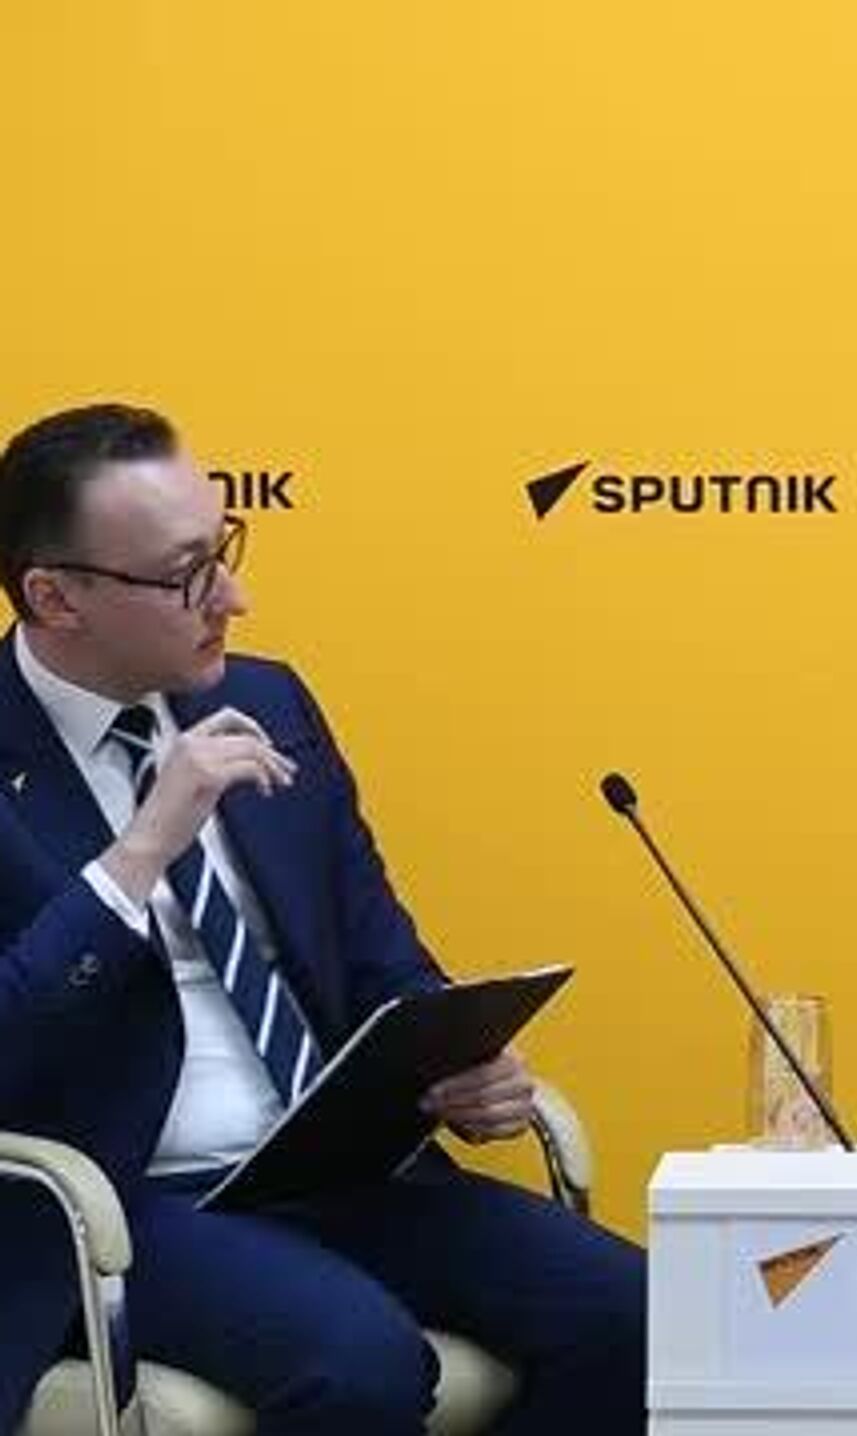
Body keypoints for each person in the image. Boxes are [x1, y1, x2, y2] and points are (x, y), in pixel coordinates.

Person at [0, 403, 647, 1434]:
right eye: (186, 575)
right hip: (121, 1200)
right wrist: (140, 852)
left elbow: (382, 957)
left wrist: (457, 1060)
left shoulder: (271, 700)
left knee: (636, 1313)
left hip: (328, 1168)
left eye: (224, 552)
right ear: (55, 596)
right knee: (363, 1361)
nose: (234, 598)